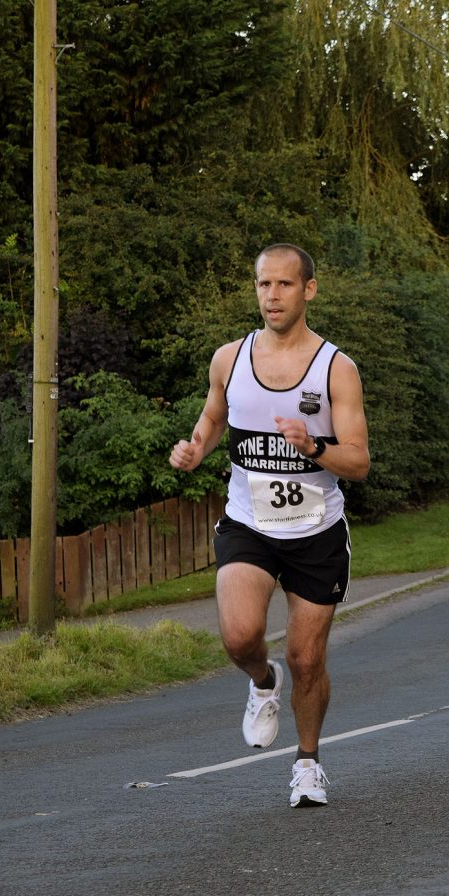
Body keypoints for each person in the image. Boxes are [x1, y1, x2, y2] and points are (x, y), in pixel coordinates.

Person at [169, 244, 370, 806]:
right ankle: (262, 682)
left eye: (284, 285)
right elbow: (213, 417)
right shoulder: (229, 358)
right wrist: (195, 449)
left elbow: (358, 460)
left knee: (308, 659)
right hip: (249, 525)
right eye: (264, 285)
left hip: (316, 532)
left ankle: (307, 763)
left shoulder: (336, 368)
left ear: (309, 289)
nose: (272, 296)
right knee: (238, 637)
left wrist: (315, 445)